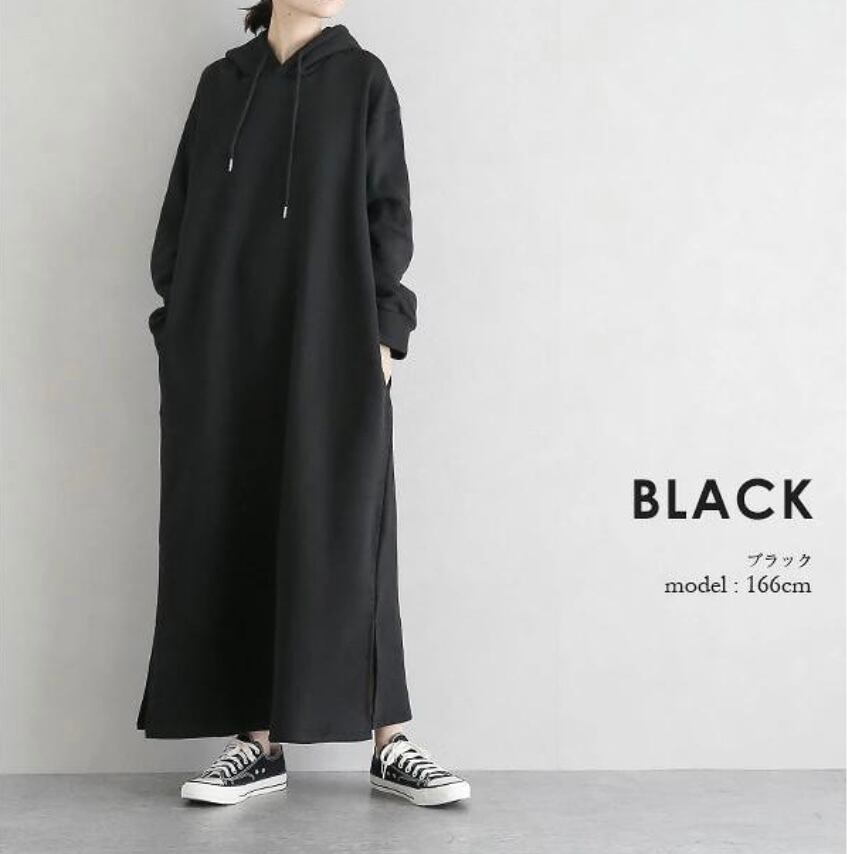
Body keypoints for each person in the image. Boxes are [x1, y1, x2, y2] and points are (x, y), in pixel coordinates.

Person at [136, 0, 470, 808]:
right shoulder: (222, 85)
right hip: (222, 348)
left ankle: (391, 743)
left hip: (332, 336)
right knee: (233, 523)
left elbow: (388, 213)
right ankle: (256, 744)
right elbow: (180, 212)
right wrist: (179, 327)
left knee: (349, 524)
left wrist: (384, 335)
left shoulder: (362, 80)